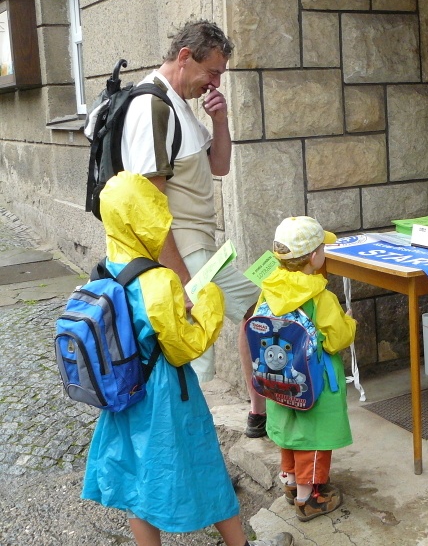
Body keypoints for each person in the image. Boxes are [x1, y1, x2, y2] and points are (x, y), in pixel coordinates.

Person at [81, 171, 292, 546]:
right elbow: (184, 347)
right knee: (203, 459)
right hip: (165, 392)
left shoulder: (104, 269)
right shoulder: (158, 280)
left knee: (136, 475)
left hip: (125, 388)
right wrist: (209, 301)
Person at [120, 20, 267, 438]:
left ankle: (255, 413)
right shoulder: (153, 108)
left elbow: (218, 166)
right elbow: (150, 209)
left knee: (253, 311)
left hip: (201, 249)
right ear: (185, 57)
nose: (215, 82)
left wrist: (220, 120)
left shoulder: (178, 103)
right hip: (186, 254)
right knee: (196, 356)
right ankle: (188, 448)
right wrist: (181, 281)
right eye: (213, 72)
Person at [258, 216, 355, 521]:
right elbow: (336, 340)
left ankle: (289, 482)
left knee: (289, 429)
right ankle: (308, 498)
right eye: (322, 248)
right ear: (314, 257)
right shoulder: (320, 296)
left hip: (277, 378)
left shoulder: (269, 288)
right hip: (313, 380)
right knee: (313, 437)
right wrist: (349, 322)